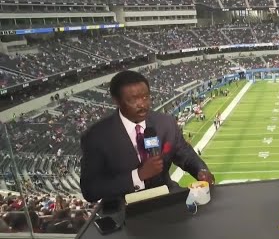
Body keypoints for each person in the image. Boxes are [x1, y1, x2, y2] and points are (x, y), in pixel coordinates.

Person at [80, 70, 214, 203]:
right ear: (116, 100)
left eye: (145, 97)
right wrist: (138, 176)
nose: (142, 104)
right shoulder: (96, 136)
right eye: (133, 99)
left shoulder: (165, 123)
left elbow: (185, 154)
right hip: (125, 207)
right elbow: (90, 190)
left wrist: (201, 170)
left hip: (167, 198)